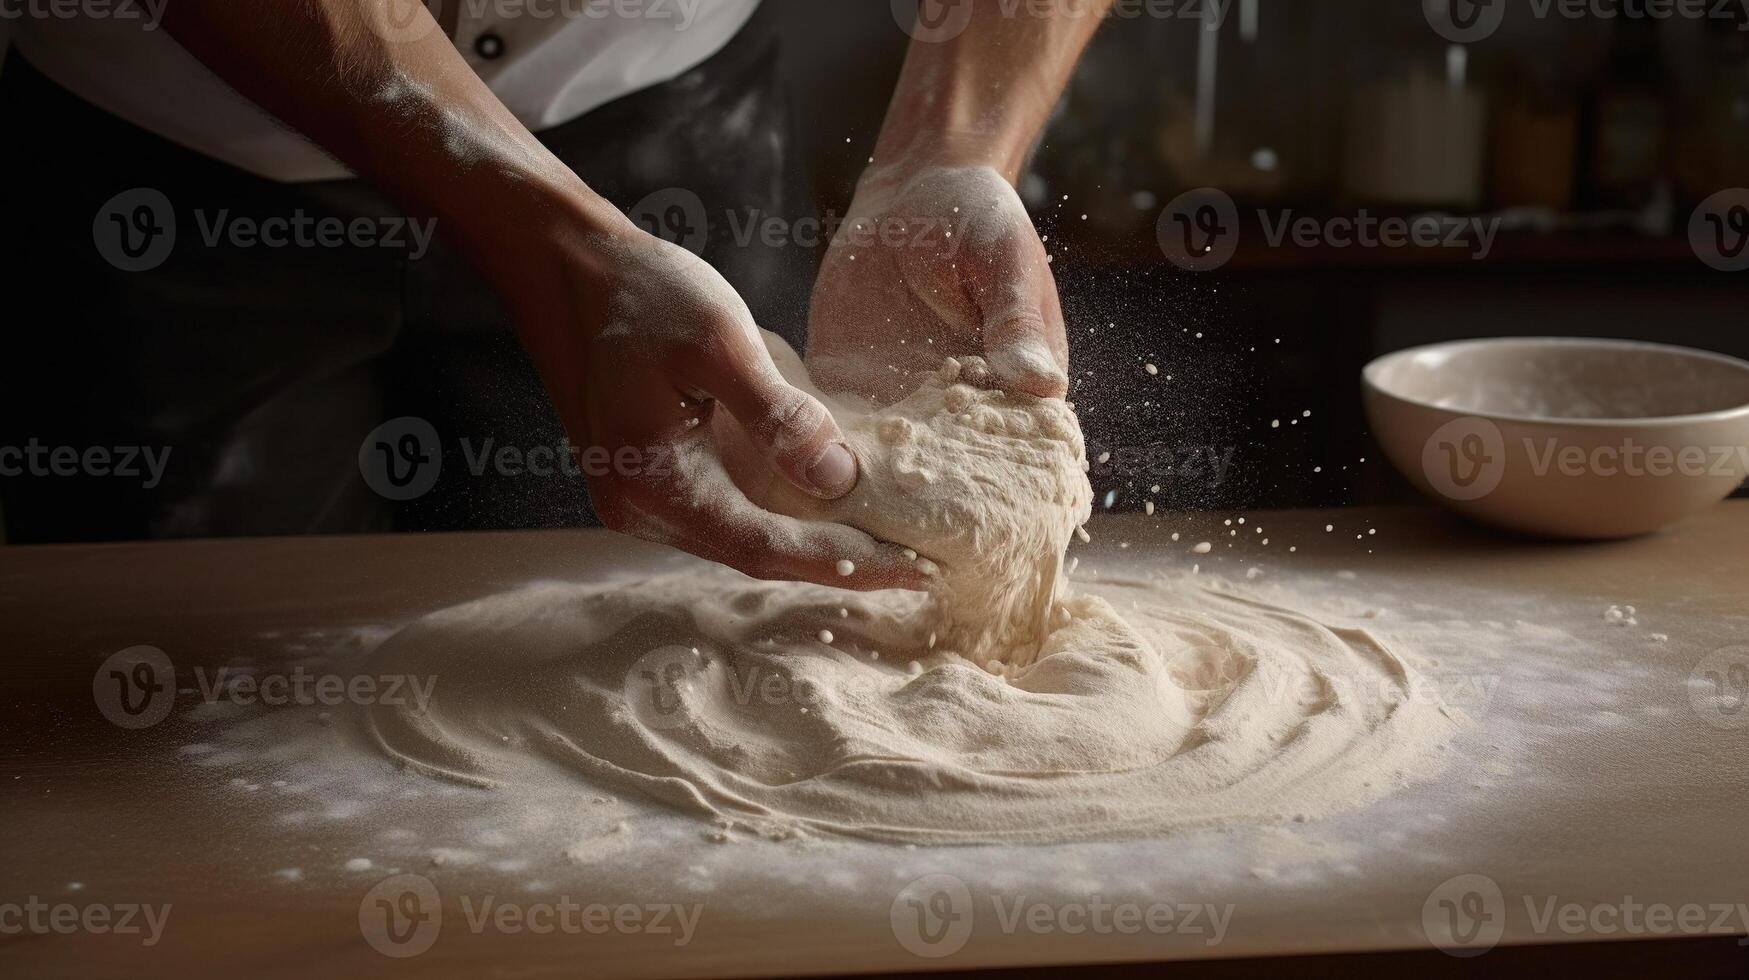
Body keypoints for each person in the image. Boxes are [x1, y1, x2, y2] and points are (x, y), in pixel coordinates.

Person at [0, 0, 1107, 589]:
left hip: (658, 104)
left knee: (717, 620)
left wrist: (950, 143)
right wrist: (554, 249)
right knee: (194, 710)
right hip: (192, 148)